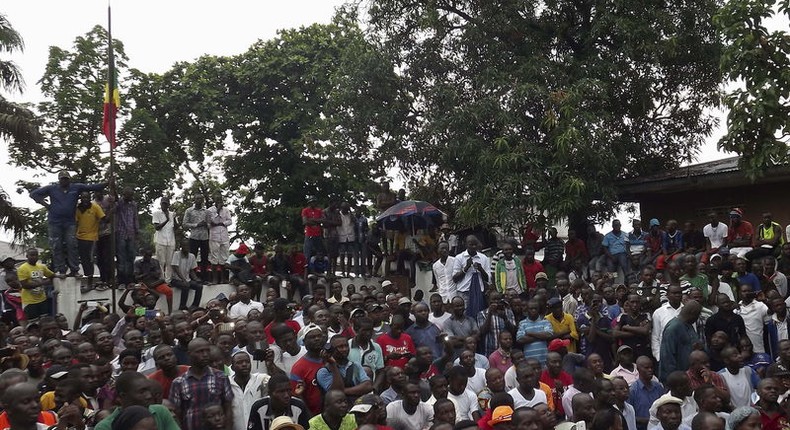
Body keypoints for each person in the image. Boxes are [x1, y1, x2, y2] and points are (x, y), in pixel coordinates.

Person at [30, 170, 106, 276]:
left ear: (69, 179)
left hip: (69, 222)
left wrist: (107, 183)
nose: (64, 181)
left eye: (66, 179)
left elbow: (93, 187)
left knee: (72, 245)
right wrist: (46, 205)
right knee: (57, 246)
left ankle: (74, 270)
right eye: (62, 179)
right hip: (55, 222)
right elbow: (33, 194)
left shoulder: (76, 187)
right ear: (59, 180)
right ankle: (61, 270)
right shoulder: (52, 188)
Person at [169, 338, 234, 430]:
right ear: (189, 354)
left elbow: (228, 408)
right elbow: (177, 415)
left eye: (207, 351)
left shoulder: (221, 377)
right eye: (200, 352)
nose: (205, 355)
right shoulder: (178, 382)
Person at [94, 371, 180, 430]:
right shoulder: (104, 427)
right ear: (123, 396)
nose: (149, 396)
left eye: (149, 390)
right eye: (142, 392)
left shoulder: (161, 411)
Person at [659, 301, 702, 381]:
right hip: (677, 378)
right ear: (693, 313)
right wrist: (674, 378)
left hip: (689, 376)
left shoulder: (689, 325)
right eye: (698, 315)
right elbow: (667, 356)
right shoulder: (673, 328)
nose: (698, 318)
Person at [17, 248, 63, 320]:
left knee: (44, 320)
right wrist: (43, 283)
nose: (34, 257)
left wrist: (60, 276)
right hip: (30, 301)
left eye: (36, 255)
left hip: (42, 299)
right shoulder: (22, 268)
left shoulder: (41, 267)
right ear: (27, 256)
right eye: (32, 255)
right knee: (33, 323)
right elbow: (25, 285)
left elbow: (51, 275)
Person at [452, 235, 490, 317]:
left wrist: (481, 269)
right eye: (471, 244)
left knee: (479, 315)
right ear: (465, 244)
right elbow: (455, 278)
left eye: (475, 244)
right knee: (465, 316)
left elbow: (487, 279)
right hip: (464, 293)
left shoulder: (484, 258)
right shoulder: (459, 258)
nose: (474, 247)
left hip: (479, 293)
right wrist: (466, 268)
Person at [75, 191, 106, 292]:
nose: (85, 200)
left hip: (92, 237)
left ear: (90, 198)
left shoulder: (95, 207)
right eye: (83, 198)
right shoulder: (78, 209)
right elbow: (75, 222)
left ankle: (90, 282)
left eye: (87, 198)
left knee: (90, 259)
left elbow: (104, 218)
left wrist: (111, 212)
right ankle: (85, 279)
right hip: (80, 237)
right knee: (83, 260)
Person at [134, 247, 174, 314]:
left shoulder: (155, 262)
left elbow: (157, 275)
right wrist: (147, 273)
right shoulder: (138, 263)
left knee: (169, 291)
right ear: (143, 254)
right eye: (147, 255)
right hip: (144, 283)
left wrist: (149, 274)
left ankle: (170, 312)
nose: (149, 257)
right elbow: (137, 277)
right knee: (139, 295)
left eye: (150, 255)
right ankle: (140, 313)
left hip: (155, 283)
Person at [476, 291, 517, 357]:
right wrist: (489, 314)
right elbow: (482, 331)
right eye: (493, 299)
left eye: (498, 299)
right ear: (488, 300)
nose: (496, 301)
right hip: (490, 352)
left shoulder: (508, 312)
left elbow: (513, 331)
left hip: (507, 352)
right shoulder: (482, 314)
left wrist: (505, 318)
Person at [630, 356, 664, 430]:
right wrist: (650, 421)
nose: (650, 370)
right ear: (638, 369)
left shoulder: (658, 387)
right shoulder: (633, 390)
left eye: (651, 367)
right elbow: (629, 416)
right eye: (646, 368)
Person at [115, 187, 140, 285]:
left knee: (131, 256)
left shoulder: (133, 205)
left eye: (132, 195)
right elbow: (116, 197)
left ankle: (129, 278)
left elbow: (135, 218)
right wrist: (113, 185)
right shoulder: (120, 203)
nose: (131, 197)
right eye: (129, 195)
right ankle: (121, 278)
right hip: (121, 233)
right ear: (124, 195)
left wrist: (137, 232)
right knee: (121, 257)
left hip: (131, 234)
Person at [651, 284, 683, 362]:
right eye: (674, 293)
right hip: (665, 355)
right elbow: (655, 336)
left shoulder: (686, 311)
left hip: (683, 355)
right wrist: (658, 356)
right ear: (667, 295)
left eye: (679, 293)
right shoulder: (659, 312)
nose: (677, 295)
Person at [170, 239, 204, 310]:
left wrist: (196, 279)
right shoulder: (176, 254)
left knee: (199, 286)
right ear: (181, 246)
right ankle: (182, 306)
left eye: (188, 245)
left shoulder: (192, 256)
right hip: (176, 279)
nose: (187, 247)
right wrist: (183, 280)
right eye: (184, 245)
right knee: (186, 286)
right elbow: (176, 268)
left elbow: (191, 270)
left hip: (187, 279)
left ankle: (195, 305)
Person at [516, 300, 553, 365]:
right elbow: (520, 339)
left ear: (539, 309)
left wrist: (530, 333)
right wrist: (541, 337)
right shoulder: (522, 323)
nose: (533, 310)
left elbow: (549, 335)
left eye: (535, 308)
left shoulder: (545, 322)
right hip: (529, 361)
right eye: (531, 309)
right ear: (527, 310)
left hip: (544, 360)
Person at [735, 283, 769, 354]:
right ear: (739, 293)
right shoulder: (736, 309)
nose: (747, 293)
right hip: (742, 350)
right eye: (744, 291)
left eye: (749, 291)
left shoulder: (761, 306)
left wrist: (765, 300)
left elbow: (770, 321)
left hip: (758, 348)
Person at [207, 193, 233, 284]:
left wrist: (222, 223)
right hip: (214, 237)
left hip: (224, 236)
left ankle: (223, 279)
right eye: (217, 200)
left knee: (224, 258)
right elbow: (211, 222)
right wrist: (217, 211)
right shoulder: (210, 210)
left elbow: (230, 221)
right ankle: (215, 279)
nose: (219, 202)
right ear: (214, 201)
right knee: (214, 258)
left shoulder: (226, 210)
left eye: (220, 200)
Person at [183, 195, 210, 281]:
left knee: (205, 258)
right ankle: (191, 276)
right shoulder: (189, 210)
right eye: (197, 198)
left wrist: (207, 224)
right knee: (192, 257)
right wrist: (196, 225)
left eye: (200, 199)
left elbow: (210, 224)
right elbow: (184, 224)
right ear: (194, 200)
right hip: (194, 237)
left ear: (203, 201)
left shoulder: (207, 211)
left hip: (204, 237)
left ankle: (204, 277)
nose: (199, 200)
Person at [153, 196, 179, 282]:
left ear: (168, 205)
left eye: (166, 204)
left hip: (171, 241)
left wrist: (174, 218)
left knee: (169, 262)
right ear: (160, 204)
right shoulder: (157, 213)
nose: (164, 205)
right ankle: (161, 279)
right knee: (161, 262)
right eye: (163, 203)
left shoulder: (172, 214)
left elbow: (176, 228)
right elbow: (157, 227)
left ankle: (168, 280)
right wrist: (167, 220)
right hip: (160, 241)